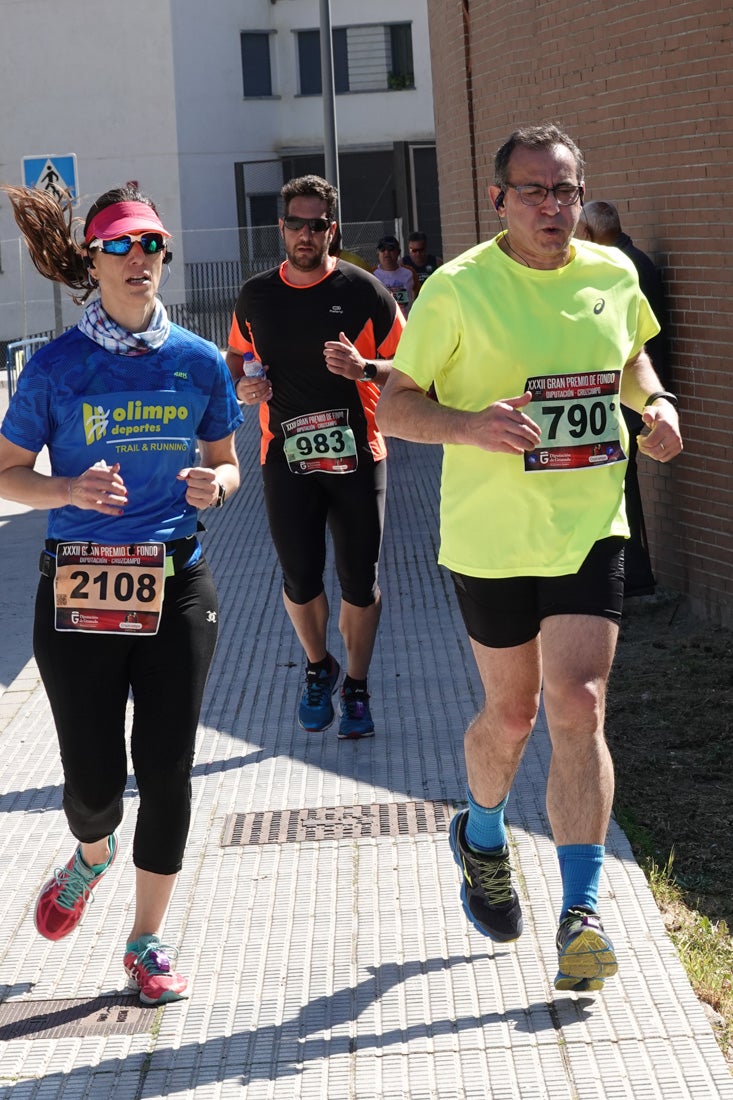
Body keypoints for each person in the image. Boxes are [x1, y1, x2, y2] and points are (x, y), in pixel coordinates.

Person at [376, 123, 682, 992]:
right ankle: (479, 831)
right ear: (499, 198)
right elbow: (396, 406)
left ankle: (580, 913)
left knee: (578, 705)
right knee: (510, 719)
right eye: (534, 191)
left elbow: (630, 359)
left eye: (566, 191)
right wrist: (468, 426)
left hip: (589, 525)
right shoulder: (458, 288)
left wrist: (655, 405)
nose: (553, 207)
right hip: (490, 540)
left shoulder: (611, 273)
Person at [0, 184, 242, 1004]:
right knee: (95, 785)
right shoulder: (57, 366)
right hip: (77, 586)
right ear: (92, 261)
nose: (141, 260)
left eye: (153, 245)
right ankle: (92, 852)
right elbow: (4, 474)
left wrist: (220, 484)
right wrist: (65, 487)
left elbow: (228, 460)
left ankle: (147, 941)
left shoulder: (200, 361)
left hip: (176, 580)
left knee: (167, 770)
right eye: (122, 247)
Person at [225, 175, 405, 739]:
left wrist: (364, 369)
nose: (307, 234)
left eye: (317, 224)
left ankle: (354, 685)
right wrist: (243, 388)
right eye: (296, 224)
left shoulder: (366, 291)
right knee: (300, 577)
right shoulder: (256, 295)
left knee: (359, 578)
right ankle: (316, 664)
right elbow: (237, 357)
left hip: (358, 453)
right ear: (280, 228)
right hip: (285, 455)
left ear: (334, 229)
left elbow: (416, 367)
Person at [576, 200, 670, 596]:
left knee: (618, 486)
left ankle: (630, 577)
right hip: (641, 397)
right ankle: (631, 575)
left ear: (594, 232)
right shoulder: (635, 259)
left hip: (634, 397)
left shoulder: (616, 269)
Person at [372, 235, 419, 317]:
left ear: (398, 252)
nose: (386, 253)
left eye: (391, 249)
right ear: (377, 253)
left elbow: (419, 297)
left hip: (405, 324)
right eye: (382, 249)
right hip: (383, 325)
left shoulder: (410, 272)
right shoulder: (371, 274)